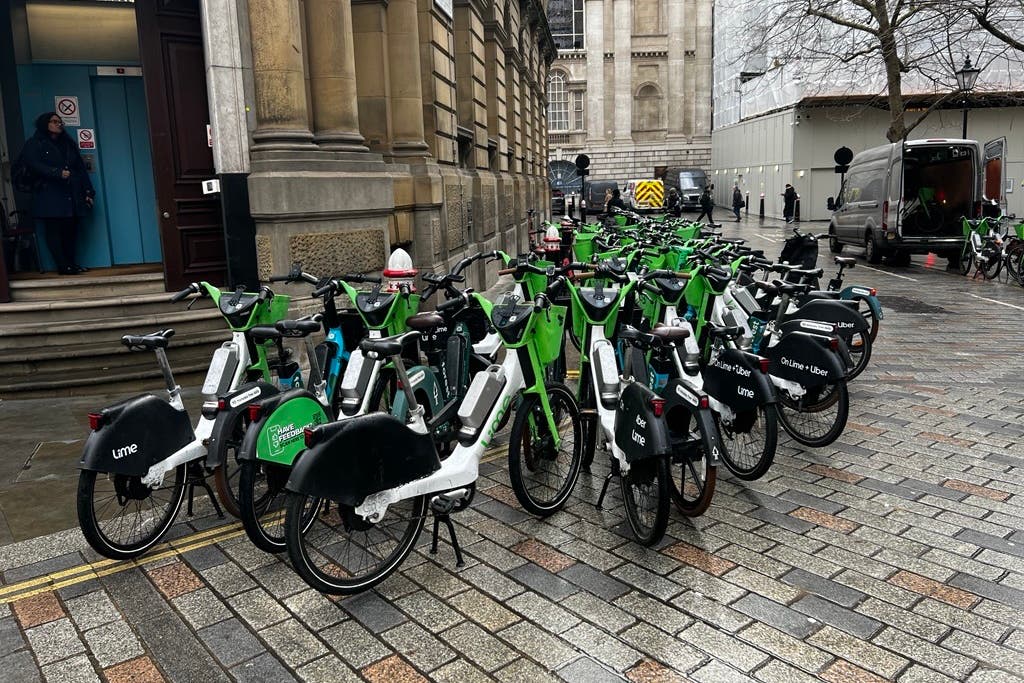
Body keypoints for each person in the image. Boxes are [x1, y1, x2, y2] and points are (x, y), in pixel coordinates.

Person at [21, 112, 95, 275]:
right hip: (49, 193)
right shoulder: (35, 143)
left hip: (71, 193)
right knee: (54, 230)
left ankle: (71, 263)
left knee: (71, 230)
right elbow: (33, 164)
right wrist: (56, 172)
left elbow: (80, 169)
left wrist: (88, 192)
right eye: (54, 121)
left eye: (60, 122)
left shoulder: (68, 144)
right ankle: (63, 265)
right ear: (45, 124)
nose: (58, 124)